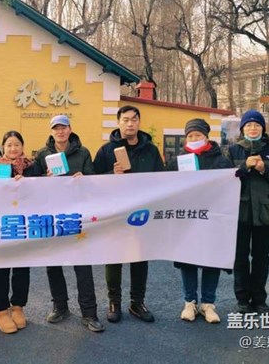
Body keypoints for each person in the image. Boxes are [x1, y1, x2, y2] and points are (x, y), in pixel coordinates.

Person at [93, 105, 164, 323]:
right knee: (114, 257)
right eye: (125, 120)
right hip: (115, 212)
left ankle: (137, 303)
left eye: (134, 119)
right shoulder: (106, 151)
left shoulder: (151, 150)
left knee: (140, 257)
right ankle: (114, 302)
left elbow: (162, 179)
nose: (130, 123)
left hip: (142, 212)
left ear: (139, 122)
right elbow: (92, 181)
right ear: (118, 123)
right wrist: (110, 173)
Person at [35, 115, 104, 333]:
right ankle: (60, 306)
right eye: (56, 128)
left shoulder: (83, 152)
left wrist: (85, 178)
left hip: (77, 215)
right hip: (53, 216)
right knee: (53, 265)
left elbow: (94, 181)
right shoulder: (42, 154)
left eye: (63, 127)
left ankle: (89, 313)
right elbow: (32, 185)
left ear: (70, 129)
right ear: (51, 132)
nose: (60, 131)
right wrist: (44, 179)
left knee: (82, 265)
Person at [165, 119, 233, 323]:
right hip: (187, 219)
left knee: (211, 259)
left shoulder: (221, 160)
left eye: (198, 135)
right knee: (188, 260)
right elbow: (165, 187)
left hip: (213, 218)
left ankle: (208, 304)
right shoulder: (177, 161)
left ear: (206, 136)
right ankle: (190, 302)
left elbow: (230, 186)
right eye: (190, 135)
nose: (194, 138)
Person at [228, 110, 269, 314]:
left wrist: (265, 170)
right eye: (248, 125)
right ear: (242, 129)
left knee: (261, 257)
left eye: (257, 125)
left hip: (265, 213)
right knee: (240, 257)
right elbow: (224, 178)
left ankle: (259, 299)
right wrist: (244, 167)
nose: (253, 128)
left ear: (263, 128)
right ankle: (242, 299)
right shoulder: (232, 151)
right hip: (240, 213)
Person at [0, 131, 40, 334]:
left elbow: (43, 192)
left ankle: (18, 307)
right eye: (9, 145)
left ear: (23, 146)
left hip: (25, 224)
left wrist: (26, 184)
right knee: (1, 268)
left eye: (17, 144)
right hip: (2, 225)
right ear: (3, 148)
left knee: (22, 268)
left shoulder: (32, 167)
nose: (13, 148)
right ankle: (1, 311)